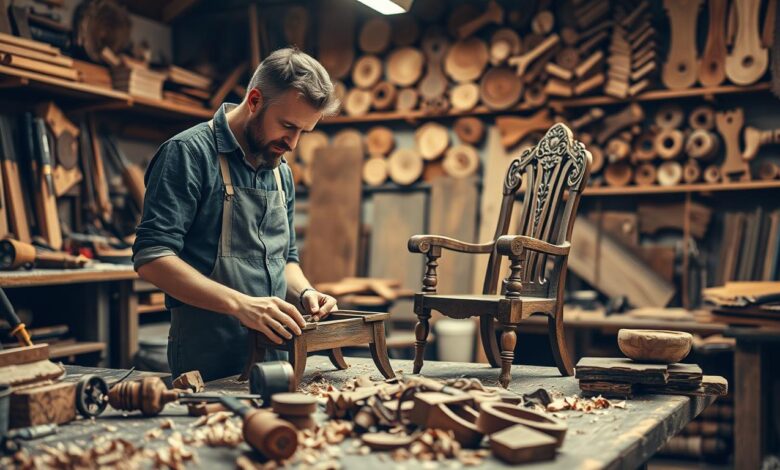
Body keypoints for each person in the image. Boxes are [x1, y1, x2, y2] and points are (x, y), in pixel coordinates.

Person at [133, 48, 341, 381]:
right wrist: (241, 305)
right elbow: (152, 257)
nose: (293, 143)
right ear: (255, 100)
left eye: (304, 131)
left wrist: (305, 293)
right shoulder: (188, 154)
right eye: (287, 126)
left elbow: (285, 259)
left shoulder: (279, 171)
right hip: (208, 357)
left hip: (277, 353)